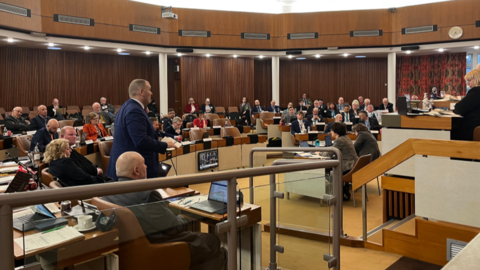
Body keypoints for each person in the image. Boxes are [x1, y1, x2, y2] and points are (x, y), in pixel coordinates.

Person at [102, 152, 227, 269]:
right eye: (143, 164)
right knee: (213, 241)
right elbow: (174, 227)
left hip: (129, 253)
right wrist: (188, 213)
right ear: (136, 170)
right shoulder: (147, 194)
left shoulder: (106, 193)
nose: (146, 166)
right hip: (160, 248)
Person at [107, 79, 176, 180]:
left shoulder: (127, 107)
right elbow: (141, 140)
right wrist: (166, 145)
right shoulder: (135, 110)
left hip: (127, 169)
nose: (151, 93)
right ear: (141, 92)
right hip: (132, 172)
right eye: (149, 90)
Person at [320, 122, 358, 200]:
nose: (331, 132)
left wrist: (319, 152)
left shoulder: (339, 141)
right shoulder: (346, 138)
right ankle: (342, 189)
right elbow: (334, 148)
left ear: (336, 131)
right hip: (352, 166)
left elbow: (329, 154)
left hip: (346, 168)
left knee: (326, 170)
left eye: (331, 130)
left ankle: (334, 193)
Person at [452, 69, 480, 141]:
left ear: (477, 79)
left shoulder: (476, 91)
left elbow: (459, 109)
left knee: (448, 133)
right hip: (476, 126)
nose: (467, 83)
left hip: (472, 128)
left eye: (469, 80)